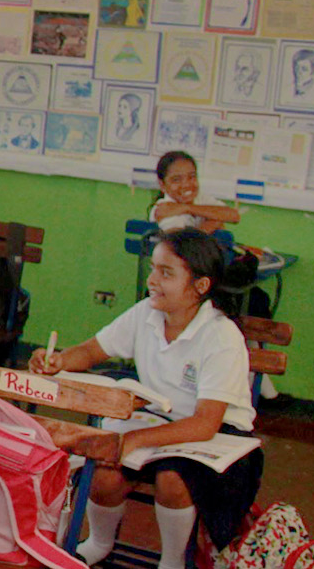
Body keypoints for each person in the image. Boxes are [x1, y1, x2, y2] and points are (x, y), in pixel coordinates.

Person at [30, 230, 262, 569]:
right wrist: (59, 361)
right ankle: (98, 543)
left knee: (172, 479)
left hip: (219, 440)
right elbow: (93, 350)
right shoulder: (146, 314)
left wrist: (131, 440)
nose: (152, 280)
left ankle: (172, 562)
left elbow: (205, 423)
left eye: (166, 273)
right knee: (104, 472)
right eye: (153, 269)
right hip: (158, 424)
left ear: (201, 286)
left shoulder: (220, 335)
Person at [151, 151, 239, 234]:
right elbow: (183, 245)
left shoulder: (199, 198)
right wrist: (215, 222)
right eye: (176, 179)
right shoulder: (164, 209)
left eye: (192, 177)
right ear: (162, 185)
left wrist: (187, 208)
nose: (186, 185)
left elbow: (234, 215)